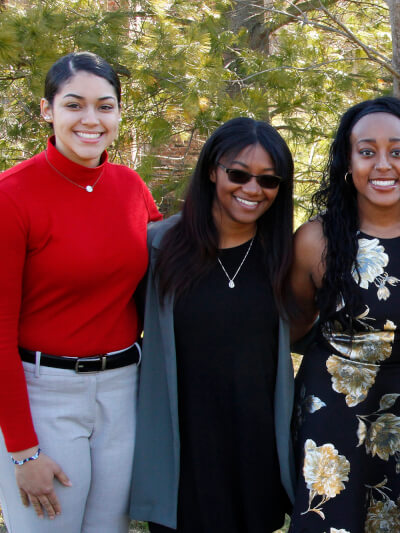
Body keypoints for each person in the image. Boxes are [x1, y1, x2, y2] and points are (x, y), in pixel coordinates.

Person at [288, 96, 400, 532]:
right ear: (348, 161)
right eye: (367, 151)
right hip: (334, 405)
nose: (383, 164)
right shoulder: (315, 240)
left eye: (397, 151)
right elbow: (295, 324)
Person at [0, 52, 162, 532]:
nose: (91, 120)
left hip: (123, 393)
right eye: (74, 105)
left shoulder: (131, 188)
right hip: (44, 397)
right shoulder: (13, 195)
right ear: (48, 111)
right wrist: (22, 451)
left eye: (105, 106)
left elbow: (169, 278)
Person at [128, 117, 296, 532]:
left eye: (269, 181)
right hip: (182, 449)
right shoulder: (158, 246)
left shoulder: (286, 256)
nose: (252, 190)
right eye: (238, 174)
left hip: (255, 448)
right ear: (211, 170)